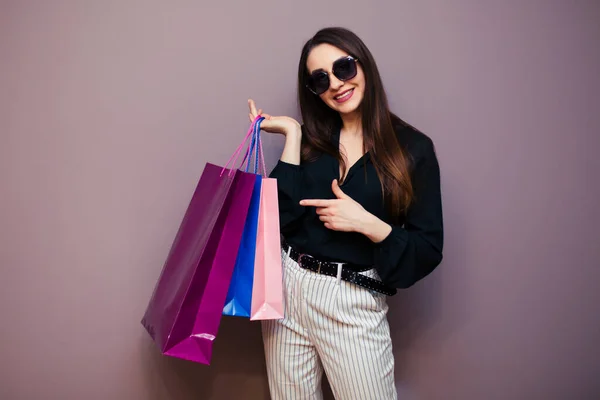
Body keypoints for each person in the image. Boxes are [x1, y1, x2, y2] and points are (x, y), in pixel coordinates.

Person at [247, 27, 443, 400]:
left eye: (344, 68)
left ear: (363, 65)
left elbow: (427, 249)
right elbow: (278, 219)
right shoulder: (313, 140)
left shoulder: (413, 149)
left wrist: (369, 224)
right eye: (321, 79)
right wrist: (292, 134)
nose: (336, 83)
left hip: (352, 298)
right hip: (287, 290)